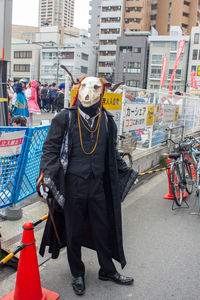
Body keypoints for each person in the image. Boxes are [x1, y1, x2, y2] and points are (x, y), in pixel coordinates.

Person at [37, 75, 138, 296]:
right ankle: (78, 273)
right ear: (78, 89)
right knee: (73, 232)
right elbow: (50, 149)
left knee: (103, 228)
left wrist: (127, 172)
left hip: (98, 185)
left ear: (102, 92)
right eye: (84, 87)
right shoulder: (65, 118)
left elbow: (111, 154)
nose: (88, 92)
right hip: (73, 185)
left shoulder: (108, 121)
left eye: (94, 88)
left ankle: (107, 270)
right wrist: (46, 176)